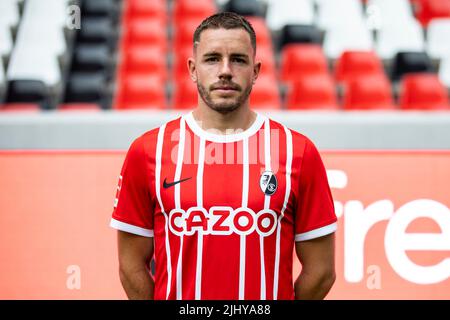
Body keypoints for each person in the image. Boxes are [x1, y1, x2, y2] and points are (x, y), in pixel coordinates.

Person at [110, 12, 337, 300]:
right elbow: (130, 267)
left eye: (239, 60)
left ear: (256, 71)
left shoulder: (298, 152)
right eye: (212, 58)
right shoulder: (147, 151)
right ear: (192, 69)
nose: (225, 70)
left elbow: (321, 271)